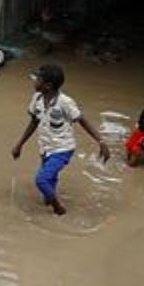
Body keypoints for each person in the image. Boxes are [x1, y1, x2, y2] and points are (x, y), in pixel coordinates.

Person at [11, 64, 111, 215]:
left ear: (48, 85)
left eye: (38, 79)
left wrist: (101, 141)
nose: (34, 81)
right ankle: (50, 199)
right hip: (46, 147)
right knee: (48, 185)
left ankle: (59, 209)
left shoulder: (65, 102)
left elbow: (82, 120)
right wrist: (19, 144)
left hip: (62, 148)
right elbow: (34, 122)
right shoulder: (37, 99)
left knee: (41, 180)